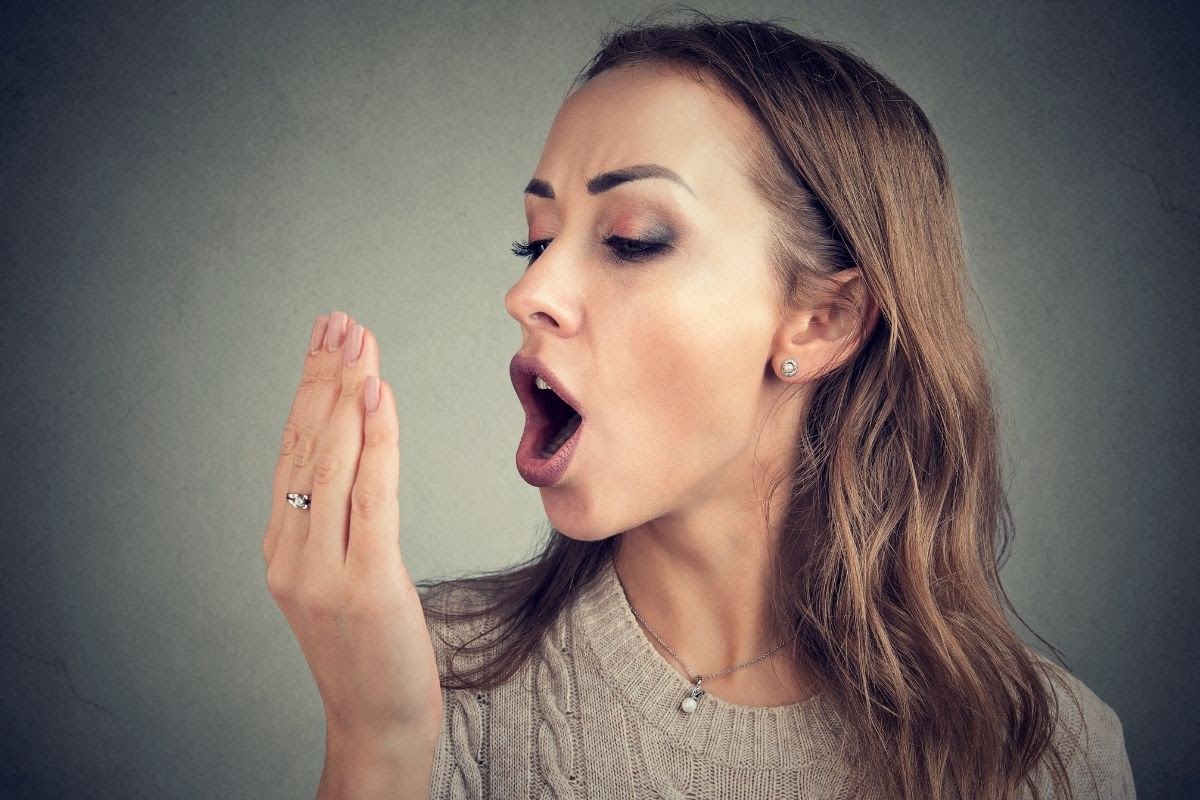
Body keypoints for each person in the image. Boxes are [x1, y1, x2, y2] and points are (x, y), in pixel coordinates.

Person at [262, 10, 1136, 799]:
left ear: (820, 322)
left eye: (632, 240)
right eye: (535, 241)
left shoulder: (1046, 753)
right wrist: (379, 742)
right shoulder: (425, 678)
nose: (528, 292)